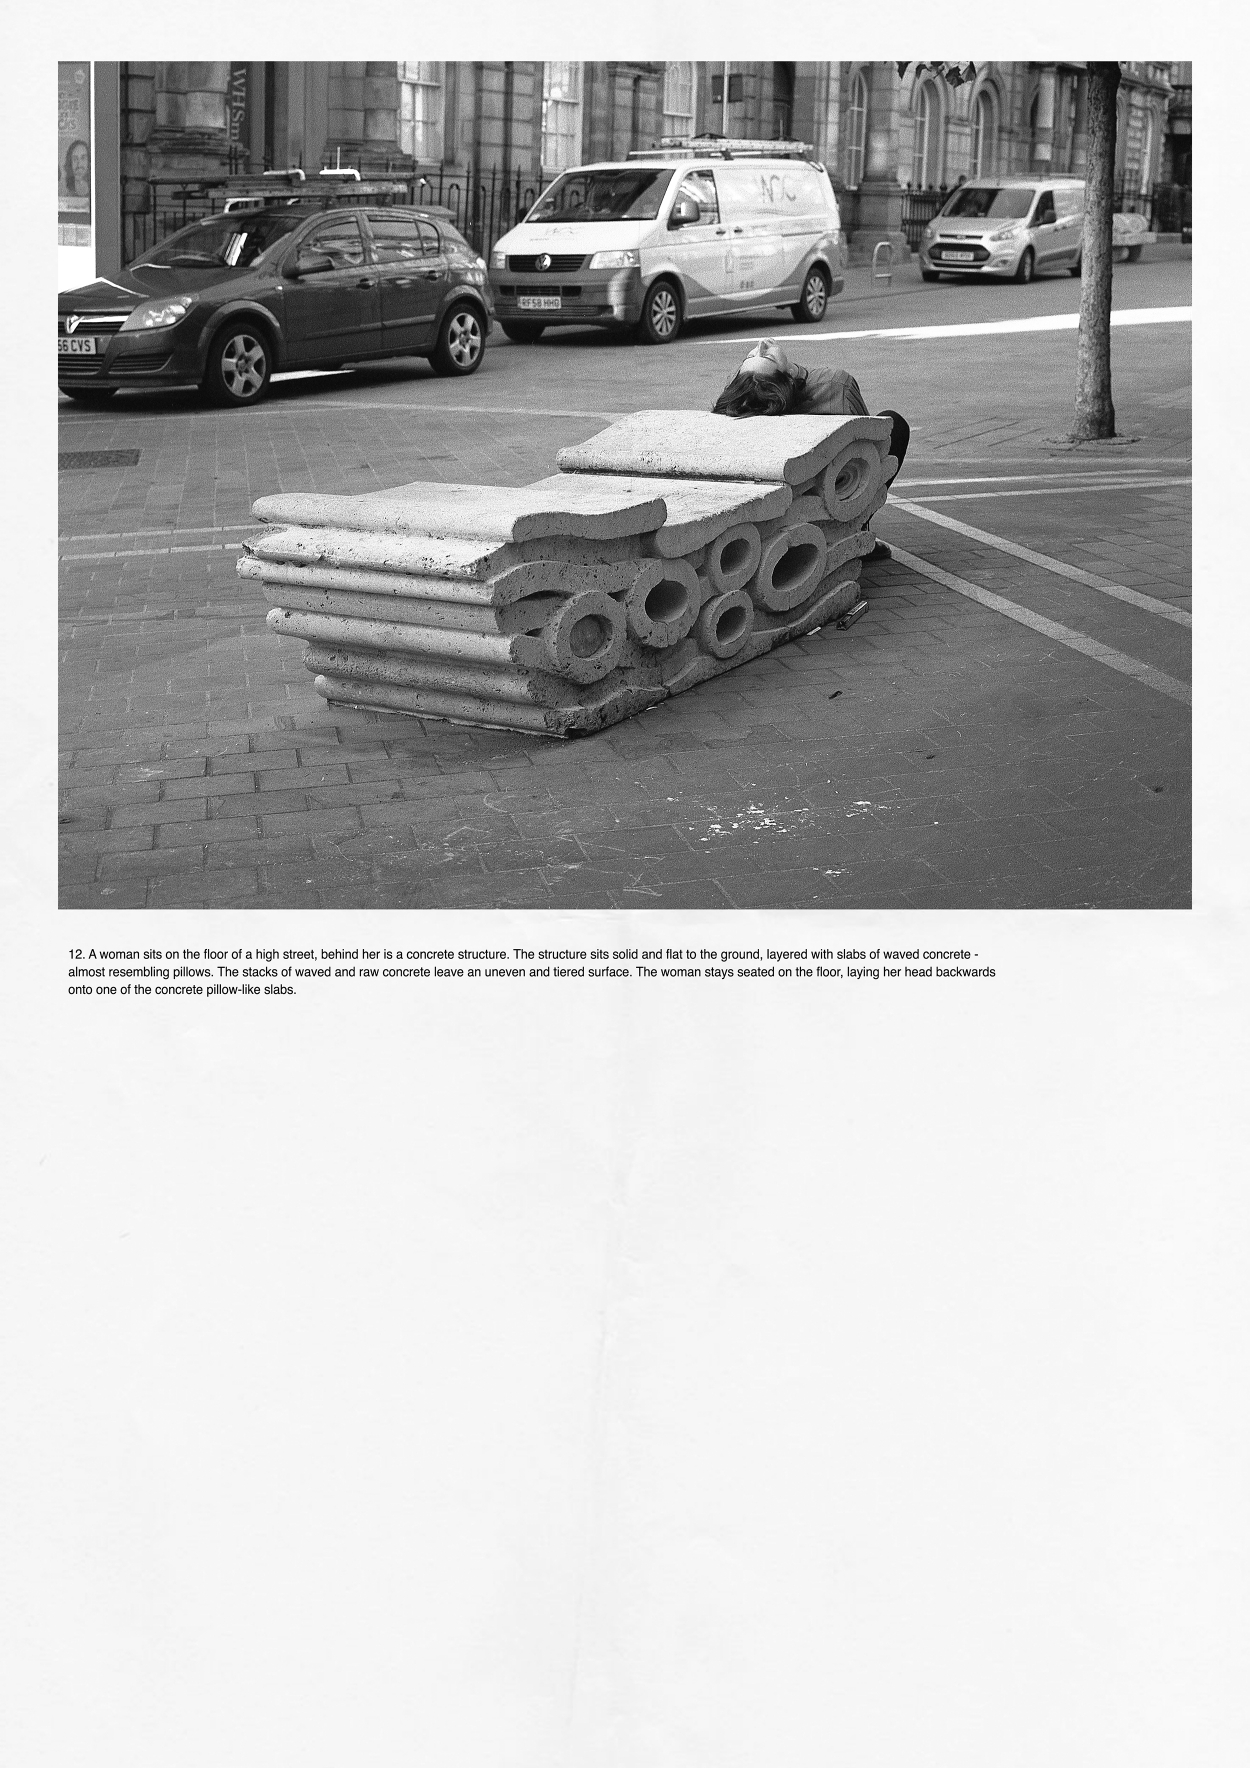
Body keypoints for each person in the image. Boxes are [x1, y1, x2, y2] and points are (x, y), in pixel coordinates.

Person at [712, 339, 909, 562]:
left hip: (783, 514)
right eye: (767, 357)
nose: (761, 344)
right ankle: (858, 528)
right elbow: (868, 449)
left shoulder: (735, 410)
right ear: (785, 378)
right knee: (895, 425)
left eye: (751, 356)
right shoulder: (834, 384)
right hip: (838, 498)